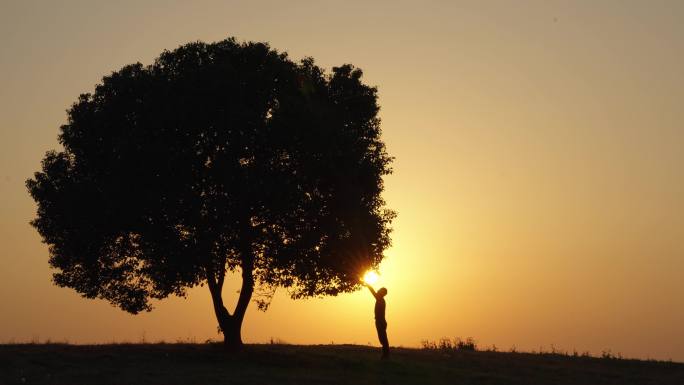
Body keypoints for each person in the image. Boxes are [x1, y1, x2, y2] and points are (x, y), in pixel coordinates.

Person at [365, 283, 390, 358]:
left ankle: (385, 355)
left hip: (380, 321)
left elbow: (372, 291)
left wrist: (367, 285)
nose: (378, 290)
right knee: (383, 339)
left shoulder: (380, 299)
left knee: (383, 339)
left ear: (382, 293)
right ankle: (385, 355)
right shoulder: (381, 299)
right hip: (381, 321)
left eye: (379, 290)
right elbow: (374, 292)